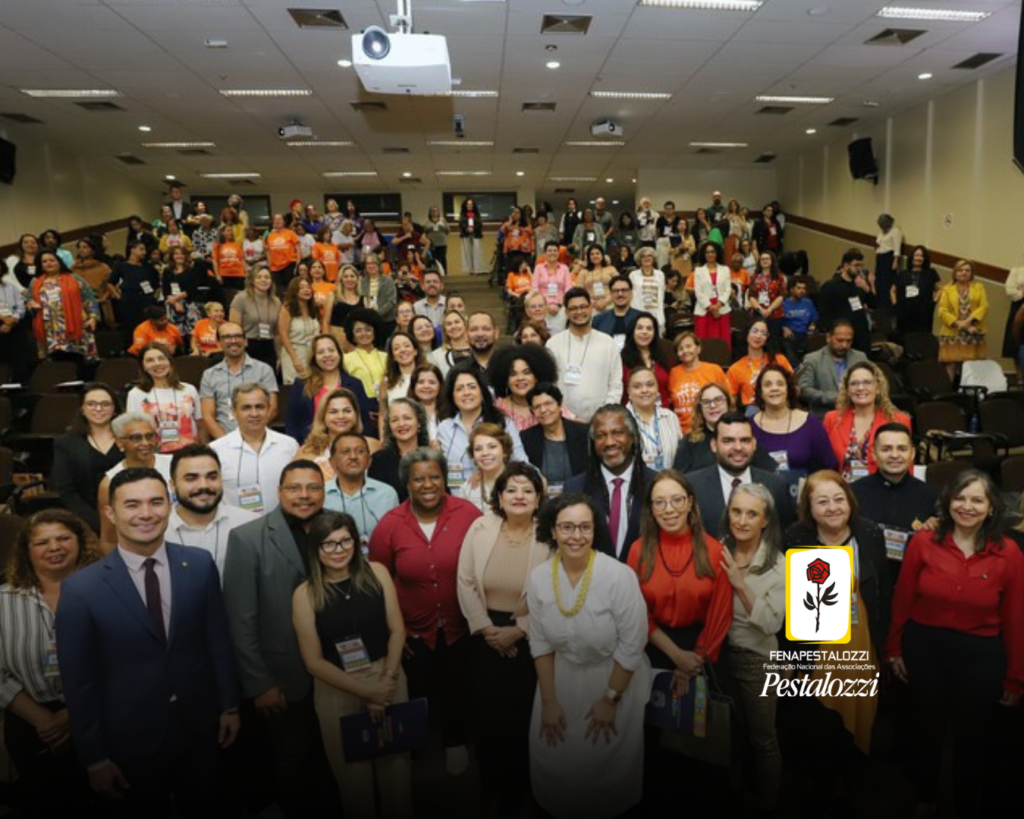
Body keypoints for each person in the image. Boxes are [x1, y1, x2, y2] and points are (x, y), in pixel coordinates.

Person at [56, 467, 240, 816]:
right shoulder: (82, 590)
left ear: (169, 505)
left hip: (201, 729)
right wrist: (94, 759)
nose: (146, 513)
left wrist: (229, 705)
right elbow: (80, 683)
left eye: (156, 502)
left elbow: (216, 640)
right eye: (132, 504)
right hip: (128, 741)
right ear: (110, 512)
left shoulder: (199, 566)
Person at [887, 469, 1024, 819]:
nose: (967, 506)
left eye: (977, 499)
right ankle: (925, 798)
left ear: (991, 507)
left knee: (972, 740)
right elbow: (903, 598)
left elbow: (1015, 617)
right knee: (926, 730)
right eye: (960, 498)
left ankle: (966, 805)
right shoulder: (922, 542)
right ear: (948, 502)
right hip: (926, 649)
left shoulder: (1008, 553)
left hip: (981, 656)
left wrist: (1016, 676)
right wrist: (894, 649)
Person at [223, 460, 342, 818]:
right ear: (279, 492)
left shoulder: (337, 528)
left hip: (339, 669)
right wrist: (259, 682)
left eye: (313, 487)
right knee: (293, 756)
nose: (304, 495)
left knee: (334, 755)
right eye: (294, 488)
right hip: (285, 675)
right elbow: (240, 619)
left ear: (324, 491)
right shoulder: (247, 537)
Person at [527, 492, 651, 819]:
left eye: (585, 527)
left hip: (612, 681)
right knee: (555, 767)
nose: (576, 536)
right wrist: (550, 702)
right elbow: (539, 643)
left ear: (595, 530)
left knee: (603, 774)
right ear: (552, 531)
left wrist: (610, 700)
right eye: (567, 527)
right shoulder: (539, 577)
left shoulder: (619, 576)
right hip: (559, 679)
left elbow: (632, 644)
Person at [291, 510, 413, 819]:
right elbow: (313, 662)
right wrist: (366, 691)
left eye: (345, 541)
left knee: (397, 779)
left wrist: (384, 684)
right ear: (316, 548)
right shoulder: (305, 594)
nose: (339, 550)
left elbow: (398, 630)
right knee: (354, 787)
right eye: (328, 544)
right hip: (337, 689)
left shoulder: (378, 573)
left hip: (388, 677)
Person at [369, 448, 483, 775]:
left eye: (434, 476)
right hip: (412, 631)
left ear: (445, 478)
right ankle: (413, 751)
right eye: (418, 479)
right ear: (407, 483)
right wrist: (393, 631)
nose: (428, 484)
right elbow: (379, 580)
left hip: (462, 625)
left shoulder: (468, 514)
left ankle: (455, 741)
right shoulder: (390, 524)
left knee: (458, 687)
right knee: (416, 691)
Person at [783, 472, 891, 780]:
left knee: (858, 720)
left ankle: (848, 784)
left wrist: (884, 649)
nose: (832, 507)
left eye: (839, 499)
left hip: (861, 644)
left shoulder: (869, 534)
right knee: (816, 723)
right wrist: (795, 657)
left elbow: (883, 591)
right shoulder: (796, 537)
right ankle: (818, 788)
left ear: (850, 502)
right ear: (808, 507)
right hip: (817, 649)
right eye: (822, 501)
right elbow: (789, 605)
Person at [456, 462, 548, 817]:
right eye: (511, 489)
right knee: (488, 719)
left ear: (539, 498)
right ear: (499, 496)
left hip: (531, 635)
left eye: (527, 490)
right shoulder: (481, 526)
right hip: (484, 635)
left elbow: (555, 591)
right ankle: (493, 787)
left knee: (526, 718)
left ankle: (525, 790)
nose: (519, 496)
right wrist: (485, 628)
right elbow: (464, 581)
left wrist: (521, 628)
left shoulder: (549, 535)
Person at [0, 510, 99, 817]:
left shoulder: (107, 592)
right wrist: (43, 719)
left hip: (100, 718)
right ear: (26, 551)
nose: (54, 547)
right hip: (31, 724)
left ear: (81, 543)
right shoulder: (4, 599)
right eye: (42, 542)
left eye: (63, 538)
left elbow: (124, 659)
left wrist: (76, 713)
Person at [719, 484, 786, 814]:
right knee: (728, 737)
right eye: (736, 511)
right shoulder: (717, 550)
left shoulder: (778, 564)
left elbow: (772, 622)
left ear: (765, 521)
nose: (742, 520)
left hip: (758, 663)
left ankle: (768, 804)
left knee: (763, 740)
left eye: (751, 514)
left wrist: (739, 584)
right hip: (719, 659)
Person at [564, 405, 655, 561]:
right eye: (601, 435)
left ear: (632, 437)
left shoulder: (656, 485)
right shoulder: (575, 489)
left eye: (617, 433)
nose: (609, 442)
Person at [685, 411, 792, 540]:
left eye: (745, 440)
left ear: (754, 444)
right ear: (714, 445)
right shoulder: (692, 485)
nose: (738, 447)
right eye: (728, 441)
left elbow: (783, 537)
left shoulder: (776, 485)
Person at [851, 423, 939, 564]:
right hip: (865, 576)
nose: (894, 455)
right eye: (886, 449)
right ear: (873, 453)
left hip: (911, 576)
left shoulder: (930, 495)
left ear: (912, 453)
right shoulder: (853, 493)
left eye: (902, 449)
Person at [166, 443, 258, 578]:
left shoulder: (250, 524)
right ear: (173, 485)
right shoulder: (159, 530)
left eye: (212, 477)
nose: (204, 485)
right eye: (191, 478)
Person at [211, 383, 300, 515]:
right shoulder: (216, 450)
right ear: (234, 411)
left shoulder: (289, 445)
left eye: (260, 407)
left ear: (269, 409)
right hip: (236, 529)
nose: (254, 413)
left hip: (283, 526)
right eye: (246, 408)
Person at [436, 364, 527, 492]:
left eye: (472, 387)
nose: (466, 393)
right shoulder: (444, 428)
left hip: (497, 497)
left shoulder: (502, 423)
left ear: (482, 392)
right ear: (452, 396)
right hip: (458, 500)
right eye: (459, 389)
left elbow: (520, 462)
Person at [51, 383, 124, 534]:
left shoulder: (129, 437)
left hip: (131, 514)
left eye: (105, 404)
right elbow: (66, 491)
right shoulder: (66, 443)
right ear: (82, 409)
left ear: (115, 409)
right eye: (91, 404)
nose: (98, 409)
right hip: (88, 519)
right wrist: (97, 523)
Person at [824, 361, 912, 483]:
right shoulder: (832, 419)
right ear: (847, 390)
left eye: (867, 382)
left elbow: (907, 467)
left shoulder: (898, 420)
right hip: (843, 493)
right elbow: (825, 464)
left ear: (877, 388)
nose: (860, 388)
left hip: (882, 492)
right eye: (854, 383)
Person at [97, 413, 174, 552]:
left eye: (149, 436)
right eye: (136, 438)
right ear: (119, 442)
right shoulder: (108, 483)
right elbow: (109, 539)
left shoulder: (174, 465)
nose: (145, 443)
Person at [547, 288, 623, 422]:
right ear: (566, 312)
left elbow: (616, 384)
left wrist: (604, 415)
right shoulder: (554, 344)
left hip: (602, 421)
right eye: (573, 308)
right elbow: (549, 385)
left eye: (583, 307)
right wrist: (568, 415)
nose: (579, 311)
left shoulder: (607, 343)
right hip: (563, 421)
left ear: (591, 308)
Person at [286, 333, 375, 443]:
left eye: (331, 350)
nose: (327, 355)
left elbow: (364, 421)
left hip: (348, 446)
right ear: (314, 357)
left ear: (339, 353)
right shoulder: (301, 385)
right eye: (321, 352)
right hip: (311, 446)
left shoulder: (355, 384)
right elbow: (292, 423)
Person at [751, 364, 837, 476]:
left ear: (788, 389)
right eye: (767, 385)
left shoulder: (811, 424)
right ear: (760, 392)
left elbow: (828, 467)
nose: (774, 388)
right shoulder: (749, 426)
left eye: (780, 384)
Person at [199, 322, 279, 439]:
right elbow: (207, 415)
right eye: (227, 337)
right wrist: (226, 442)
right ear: (218, 343)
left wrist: (250, 435)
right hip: (224, 439)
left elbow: (273, 408)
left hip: (258, 437)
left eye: (238, 336)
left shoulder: (264, 370)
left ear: (245, 341)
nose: (233, 341)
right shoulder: (210, 375)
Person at [322, 432, 398, 546]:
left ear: (369, 461)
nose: (353, 456)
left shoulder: (387, 494)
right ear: (332, 462)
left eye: (360, 451)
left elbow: (395, 538)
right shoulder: (321, 494)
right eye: (345, 451)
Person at [127, 342, 203, 453]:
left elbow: (200, 423)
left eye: (161, 358)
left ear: (170, 362)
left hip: (189, 453)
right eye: (150, 360)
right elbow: (133, 430)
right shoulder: (136, 394)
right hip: (155, 454)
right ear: (143, 366)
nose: (157, 364)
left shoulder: (189, 389)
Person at [31, 250, 100, 366]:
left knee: (80, 361)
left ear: (59, 262)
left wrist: (93, 317)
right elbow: (28, 299)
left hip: (77, 325)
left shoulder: (75, 278)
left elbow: (90, 298)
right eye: (44, 261)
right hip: (50, 330)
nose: (48, 263)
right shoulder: (35, 283)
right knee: (58, 362)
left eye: (52, 260)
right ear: (41, 265)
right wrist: (30, 303)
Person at [522, 383, 590, 496]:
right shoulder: (526, 438)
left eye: (548, 403)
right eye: (537, 407)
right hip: (543, 501)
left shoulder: (583, 433)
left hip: (579, 498)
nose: (543, 410)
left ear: (560, 404)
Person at [795, 320, 868, 417]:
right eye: (840, 340)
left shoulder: (860, 357)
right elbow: (804, 390)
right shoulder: (812, 359)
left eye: (849, 341)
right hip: (824, 416)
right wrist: (833, 398)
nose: (844, 345)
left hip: (858, 415)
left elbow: (874, 384)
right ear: (828, 338)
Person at [369, 397, 431, 503]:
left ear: (419, 422)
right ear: (389, 427)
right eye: (394, 420)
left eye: (407, 418)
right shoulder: (378, 460)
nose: (401, 424)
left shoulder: (432, 457)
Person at [667, 331, 730, 434]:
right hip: (681, 431)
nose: (685, 351)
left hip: (711, 429)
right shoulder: (672, 373)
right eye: (680, 349)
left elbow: (728, 399)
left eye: (688, 346)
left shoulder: (714, 370)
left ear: (698, 349)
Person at [490, 342, 561, 431]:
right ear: (505, 379)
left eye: (526, 372)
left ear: (537, 376)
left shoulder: (551, 403)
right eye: (513, 374)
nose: (520, 378)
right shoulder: (496, 410)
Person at [937, 259, 988, 380]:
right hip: (952, 332)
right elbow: (942, 311)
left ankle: (969, 393)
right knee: (951, 364)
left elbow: (984, 306)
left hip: (973, 331)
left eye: (967, 270)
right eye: (960, 270)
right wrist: (959, 323)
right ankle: (951, 393)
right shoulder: (947, 290)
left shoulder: (979, 287)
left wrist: (968, 322)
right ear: (955, 273)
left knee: (971, 365)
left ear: (972, 273)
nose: (964, 273)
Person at [725, 319, 793, 410]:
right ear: (747, 334)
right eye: (754, 331)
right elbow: (731, 402)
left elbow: (793, 387)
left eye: (763, 333)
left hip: (779, 408)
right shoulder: (735, 368)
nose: (758, 336)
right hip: (752, 411)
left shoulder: (779, 360)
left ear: (767, 339)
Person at [817, 249, 874, 353]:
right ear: (846, 265)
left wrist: (867, 288)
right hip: (842, 337)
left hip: (861, 336)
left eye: (861, 266)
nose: (859, 269)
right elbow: (823, 313)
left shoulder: (860, 285)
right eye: (856, 265)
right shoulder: (831, 286)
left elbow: (874, 305)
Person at [626, 366, 680, 472]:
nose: (644, 390)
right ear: (629, 391)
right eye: (637, 386)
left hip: (669, 483)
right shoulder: (621, 420)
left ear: (657, 388)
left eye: (650, 385)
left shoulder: (670, 417)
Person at [453, 422, 516, 513]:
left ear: (505, 451)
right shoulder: (467, 489)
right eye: (478, 449)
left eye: (492, 447)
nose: (485, 453)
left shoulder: (519, 483)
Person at [229, 267, 282, 370]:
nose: (263, 280)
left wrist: (279, 356)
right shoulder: (241, 298)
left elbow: (277, 333)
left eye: (267, 277)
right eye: (259, 277)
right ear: (252, 280)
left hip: (268, 346)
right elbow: (234, 328)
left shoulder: (276, 302)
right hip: (247, 345)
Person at [110, 241, 161, 347]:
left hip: (145, 298)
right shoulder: (121, 266)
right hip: (128, 298)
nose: (144, 252)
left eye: (145, 250)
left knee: (147, 323)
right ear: (132, 249)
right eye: (141, 249)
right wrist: (118, 296)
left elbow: (157, 285)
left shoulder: (148, 268)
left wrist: (153, 298)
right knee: (129, 325)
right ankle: (130, 347)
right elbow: (110, 283)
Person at [620, 312, 675, 409]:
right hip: (633, 414)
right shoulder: (622, 360)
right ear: (632, 331)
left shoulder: (664, 356)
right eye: (640, 328)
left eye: (649, 328)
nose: (644, 332)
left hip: (663, 413)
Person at [691, 242, 733, 350]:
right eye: (707, 252)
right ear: (704, 255)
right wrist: (711, 307)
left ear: (717, 253)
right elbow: (698, 292)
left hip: (722, 310)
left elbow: (728, 290)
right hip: (704, 310)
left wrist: (718, 305)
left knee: (722, 342)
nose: (710, 254)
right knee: (703, 342)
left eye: (712, 252)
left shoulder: (725, 269)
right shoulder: (698, 271)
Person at [895, 245, 941, 336]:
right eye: (916, 255)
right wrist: (895, 304)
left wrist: (933, 302)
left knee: (922, 338)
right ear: (911, 257)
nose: (918, 258)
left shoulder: (931, 273)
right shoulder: (903, 274)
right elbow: (892, 290)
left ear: (925, 258)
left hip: (924, 312)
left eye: (921, 256)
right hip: (904, 312)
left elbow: (940, 289)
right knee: (904, 337)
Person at [781, 278, 819, 365]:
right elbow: (779, 321)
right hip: (791, 334)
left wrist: (812, 325)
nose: (802, 291)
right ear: (791, 290)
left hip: (805, 333)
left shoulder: (808, 302)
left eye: (804, 288)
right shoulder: (784, 303)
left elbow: (814, 319)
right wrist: (784, 328)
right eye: (799, 288)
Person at [428, 308, 473, 378]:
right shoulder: (435, 356)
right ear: (445, 330)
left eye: (457, 322)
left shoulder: (478, 349)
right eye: (449, 324)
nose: (453, 326)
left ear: (465, 325)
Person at [629, 246, 666, 329]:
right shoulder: (633, 275)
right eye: (643, 256)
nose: (646, 258)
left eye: (649, 256)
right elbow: (630, 295)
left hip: (657, 315)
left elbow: (662, 295)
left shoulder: (660, 275)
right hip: (638, 314)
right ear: (639, 259)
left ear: (653, 258)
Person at [265, 213, 300, 295]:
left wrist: (297, 265)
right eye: (275, 219)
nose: (277, 221)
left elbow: (298, 250)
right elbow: (268, 252)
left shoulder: (291, 233)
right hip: (275, 268)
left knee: (290, 290)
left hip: (289, 265)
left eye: (279, 219)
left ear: (284, 222)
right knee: (277, 291)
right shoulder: (269, 236)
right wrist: (269, 267)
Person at [874, 213, 903, 310]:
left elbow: (897, 248)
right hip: (880, 259)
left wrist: (895, 261)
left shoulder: (895, 231)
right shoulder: (881, 233)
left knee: (887, 283)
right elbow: (878, 243)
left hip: (888, 259)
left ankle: (887, 308)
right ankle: (880, 305)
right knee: (879, 283)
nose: (882, 228)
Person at [577, 244, 616, 312]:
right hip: (590, 306)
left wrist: (606, 301)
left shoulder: (611, 269)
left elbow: (618, 286)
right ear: (589, 257)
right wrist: (592, 302)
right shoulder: (583, 272)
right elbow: (579, 291)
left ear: (602, 255)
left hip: (610, 304)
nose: (595, 256)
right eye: (592, 254)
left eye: (597, 253)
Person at [459, 198, 487, 276]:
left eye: (471, 204)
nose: (470, 206)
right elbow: (461, 223)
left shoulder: (477, 214)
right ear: (465, 205)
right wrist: (467, 228)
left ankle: (477, 269)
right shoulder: (463, 214)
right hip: (466, 235)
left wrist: (473, 228)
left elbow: (480, 223)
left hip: (476, 235)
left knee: (477, 251)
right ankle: (469, 269)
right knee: (467, 252)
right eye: (468, 204)